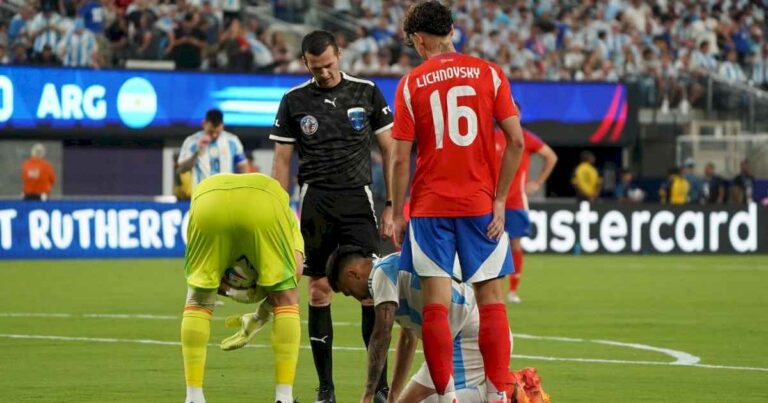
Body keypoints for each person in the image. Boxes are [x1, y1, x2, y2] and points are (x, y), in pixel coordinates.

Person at [390, 2, 525, 402]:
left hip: (430, 207)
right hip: (480, 204)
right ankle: (498, 394)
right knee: (491, 300)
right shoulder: (490, 74)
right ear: (451, 29)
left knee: (436, 306)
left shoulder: (412, 83)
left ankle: (446, 397)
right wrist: (500, 200)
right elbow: (515, 141)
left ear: (418, 39)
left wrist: (398, 212)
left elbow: (400, 157)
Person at [269, 30, 395, 403]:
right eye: (315, 66)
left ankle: (380, 387)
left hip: (358, 201)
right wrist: (280, 212)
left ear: (339, 55)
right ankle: (326, 388)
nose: (324, 72)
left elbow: (390, 150)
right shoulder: (293, 101)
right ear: (305, 62)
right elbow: (282, 161)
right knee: (319, 290)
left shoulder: (366, 91)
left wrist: (391, 206)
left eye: (328, 64)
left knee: (373, 291)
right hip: (316, 203)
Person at [325, 246, 550, 403]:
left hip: (468, 338)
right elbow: (407, 338)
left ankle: (513, 388)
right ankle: (502, 389)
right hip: (469, 334)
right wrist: (392, 394)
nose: (354, 297)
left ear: (352, 274)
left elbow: (381, 334)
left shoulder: (381, 275)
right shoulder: (392, 272)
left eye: (348, 291)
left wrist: (368, 393)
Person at [180, 173, 303, 403]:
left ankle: (193, 397)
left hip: (207, 198)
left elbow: (210, 286)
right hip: (263, 201)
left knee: (197, 301)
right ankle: (284, 398)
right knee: (287, 299)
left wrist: (231, 294)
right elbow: (293, 277)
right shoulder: (290, 222)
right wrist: (260, 314)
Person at [496, 128, 557, 304]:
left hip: (515, 201)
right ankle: (492, 289)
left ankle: (513, 290)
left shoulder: (525, 137)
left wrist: (538, 182)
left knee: (515, 243)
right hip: (490, 199)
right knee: (490, 244)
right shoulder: (490, 135)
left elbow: (551, 156)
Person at [177, 108, 249, 189]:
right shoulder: (191, 141)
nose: (214, 135)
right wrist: (197, 152)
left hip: (226, 194)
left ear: (222, 125)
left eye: (217, 132)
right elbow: (182, 170)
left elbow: (243, 167)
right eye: (211, 131)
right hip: (202, 195)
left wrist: (246, 189)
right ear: (204, 123)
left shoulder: (232, 141)